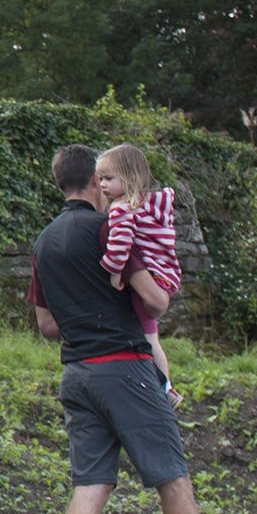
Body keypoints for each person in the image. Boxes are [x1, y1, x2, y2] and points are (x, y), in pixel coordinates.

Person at [30, 144, 257, 514]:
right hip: (126, 368)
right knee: (172, 480)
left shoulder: (44, 243)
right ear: (96, 182)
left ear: (59, 184)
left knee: (89, 486)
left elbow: (47, 325)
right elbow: (156, 301)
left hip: (77, 373)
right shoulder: (111, 230)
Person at [94, 143, 182, 402]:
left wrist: (113, 271)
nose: (102, 185)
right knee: (153, 335)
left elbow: (120, 245)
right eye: (100, 179)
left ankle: (164, 389)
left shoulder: (122, 209)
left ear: (130, 179)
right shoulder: (153, 204)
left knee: (148, 337)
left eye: (108, 179)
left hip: (151, 277)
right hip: (167, 273)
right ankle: (167, 387)